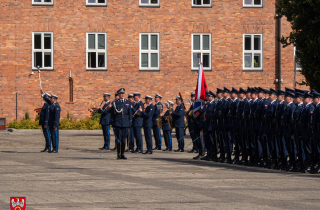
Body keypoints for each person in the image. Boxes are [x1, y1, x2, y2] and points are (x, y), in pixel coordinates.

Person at [112, 88, 132, 159]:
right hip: (118, 122)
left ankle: (122, 154)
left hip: (125, 122)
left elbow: (130, 113)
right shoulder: (115, 103)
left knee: (124, 139)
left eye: (123, 93)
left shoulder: (128, 102)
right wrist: (113, 123)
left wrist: (130, 122)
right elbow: (113, 114)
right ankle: (118, 154)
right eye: (121, 93)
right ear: (119, 95)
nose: (123, 94)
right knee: (118, 139)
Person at [299, 92, 315, 172]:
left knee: (309, 149)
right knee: (304, 149)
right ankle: (306, 163)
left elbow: (310, 122)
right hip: (303, 131)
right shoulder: (304, 107)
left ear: (309, 99)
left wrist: (308, 133)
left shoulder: (310, 107)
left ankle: (309, 164)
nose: (303, 100)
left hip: (307, 132)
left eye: (304, 98)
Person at [263, 89, 278, 168]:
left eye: (270, 95)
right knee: (270, 144)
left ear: (274, 96)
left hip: (273, 128)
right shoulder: (270, 104)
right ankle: (272, 159)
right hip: (268, 128)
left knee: (273, 145)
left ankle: (275, 160)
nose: (269, 96)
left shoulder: (275, 104)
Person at [281, 91, 296, 169]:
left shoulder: (292, 107)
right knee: (288, 148)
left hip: (290, 131)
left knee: (292, 148)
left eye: (285, 97)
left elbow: (292, 120)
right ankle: (290, 163)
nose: (284, 98)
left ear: (290, 98)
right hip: (286, 130)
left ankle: (293, 163)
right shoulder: (287, 107)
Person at [201, 91, 216, 161]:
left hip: (210, 125)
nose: (207, 97)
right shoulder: (208, 104)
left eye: (209, 96)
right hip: (207, 125)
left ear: (212, 97)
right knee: (207, 141)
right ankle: (209, 154)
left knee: (211, 141)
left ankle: (213, 154)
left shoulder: (214, 104)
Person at [236, 88, 247, 164]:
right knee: (241, 142)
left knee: (244, 143)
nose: (239, 94)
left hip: (244, 125)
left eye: (240, 93)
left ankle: (245, 158)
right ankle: (243, 157)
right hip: (240, 125)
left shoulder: (245, 102)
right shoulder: (241, 102)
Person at [310, 91, 320, 173]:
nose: (313, 100)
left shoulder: (319, 107)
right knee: (316, 149)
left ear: (318, 99)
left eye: (314, 98)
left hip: (318, 132)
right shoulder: (316, 107)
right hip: (316, 132)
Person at [221, 87, 232, 163]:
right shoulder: (223, 102)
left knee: (229, 141)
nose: (222, 94)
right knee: (224, 141)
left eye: (224, 92)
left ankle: (229, 156)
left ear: (227, 93)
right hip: (223, 124)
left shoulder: (229, 102)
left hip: (228, 124)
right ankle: (224, 155)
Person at [242, 87, 253, 165]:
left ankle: (253, 159)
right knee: (246, 143)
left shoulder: (252, 103)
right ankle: (246, 158)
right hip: (245, 126)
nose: (247, 94)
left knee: (252, 143)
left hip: (252, 126)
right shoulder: (247, 102)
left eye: (248, 93)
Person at [215, 88, 225, 162]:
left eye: (217, 93)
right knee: (220, 141)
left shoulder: (223, 102)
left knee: (224, 141)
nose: (216, 94)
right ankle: (221, 155)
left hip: (223, 124)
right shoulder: (219, 102)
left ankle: (224, 156)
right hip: (219, 124)